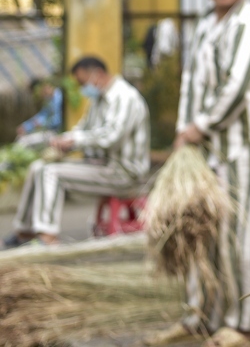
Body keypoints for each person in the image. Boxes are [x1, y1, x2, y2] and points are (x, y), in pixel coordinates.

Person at [146, 0, 250, 347]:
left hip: (242, 150)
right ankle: (201, 317)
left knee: (239, 234)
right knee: (201, 233)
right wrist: (186, 133)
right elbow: (191, 85)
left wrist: (198, 127)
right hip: (204, 151)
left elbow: (234, 91)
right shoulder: (205, 26)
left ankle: (244, 322)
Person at [5, 57, 149, 247]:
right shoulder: (98, 100)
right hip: (102, 167)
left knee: (51, 173)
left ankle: (48, 236)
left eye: (83, 83)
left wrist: (75, 141)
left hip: (123, 173)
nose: (83, 88)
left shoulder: (125, 98)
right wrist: (64, 140)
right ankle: (24, 230)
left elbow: (110, 138)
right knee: (38, 167)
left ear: (97, 75)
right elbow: (82, 130)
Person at [15, 78, 64, 148]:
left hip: (56, 133)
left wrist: (42, 124)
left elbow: (57, 120)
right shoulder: (49, 101)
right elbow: (41, 116)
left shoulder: (60, 97)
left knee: (24, 142)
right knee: (20, 139)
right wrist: (25, 126)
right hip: (49, 132)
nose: (40, 95)